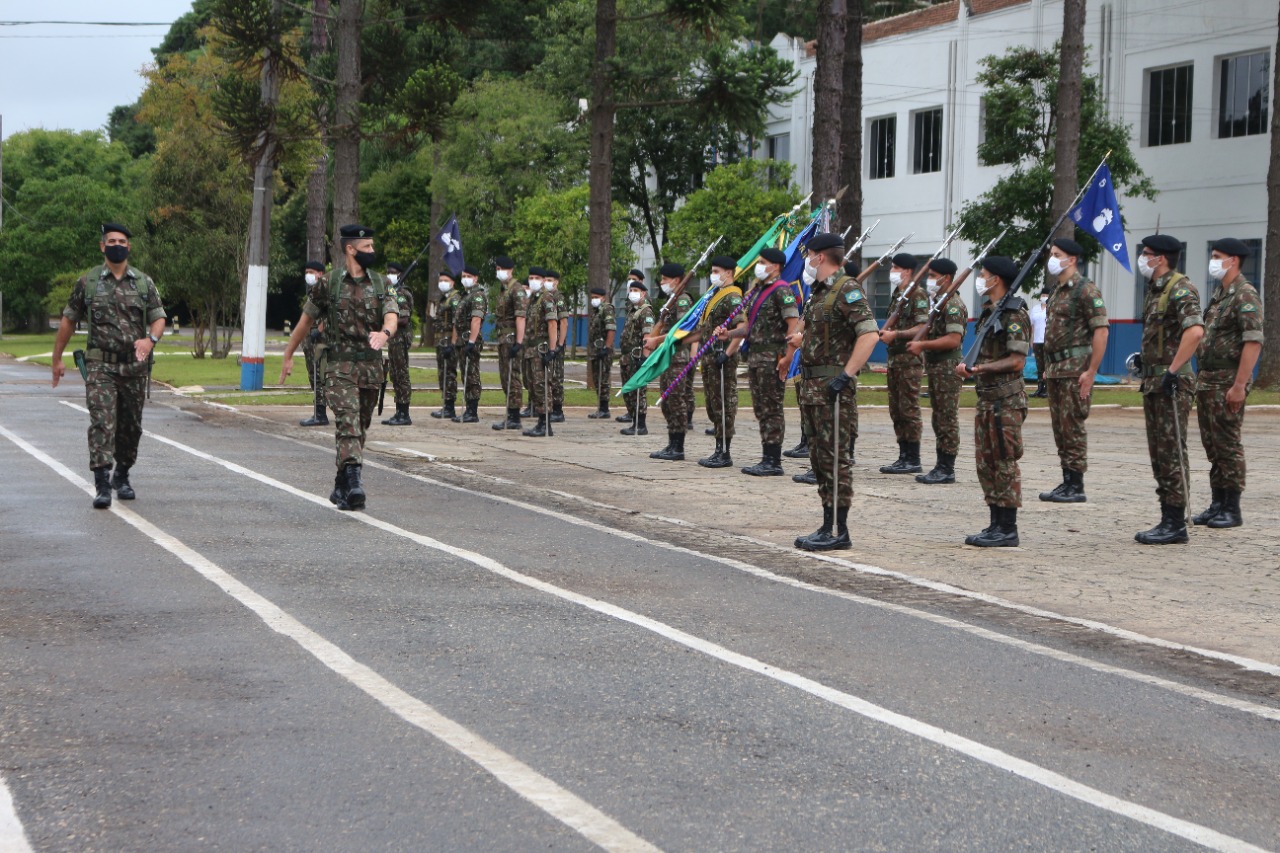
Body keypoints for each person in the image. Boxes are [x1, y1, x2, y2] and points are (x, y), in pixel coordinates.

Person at [280, 224, 397, 511]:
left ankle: (341, 483)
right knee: (348, 420)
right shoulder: (329, 283)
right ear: (350, 248)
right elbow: (305, 321)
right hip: (339, 366)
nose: (372, 251)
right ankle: (355, 480)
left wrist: (385, 334)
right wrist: (288, 354)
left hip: (370, 368)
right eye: (367, 247)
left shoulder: (381, 284)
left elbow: (391, 315)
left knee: (360, 426)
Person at [52, 223, 167, 509]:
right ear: (103, 246)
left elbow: (159, 317)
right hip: (100, 366)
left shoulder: (143, 283)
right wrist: (57, 358)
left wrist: (150, 340)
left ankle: (122, 475)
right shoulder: (88, 282)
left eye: (122, 241)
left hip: (134, 368)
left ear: (129, 247)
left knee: (131, 426)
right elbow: (68, 319)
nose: (117, 245)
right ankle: (102, 483)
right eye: (112, 240)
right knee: (102, 422)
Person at [784, 233, 879, 550]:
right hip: (812, 389)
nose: (807, 261)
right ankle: (827, 525)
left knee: (836, 459)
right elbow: (818, 331)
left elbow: (869, 335)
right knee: (821, 459)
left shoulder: (846, 289)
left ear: (820, 257)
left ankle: (839, 531)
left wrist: (846, 374)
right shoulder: (821, 293)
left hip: (832, 390)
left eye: (809, 255)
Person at [955, 255, 1031, 547]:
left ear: (996, 279)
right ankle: (994, 523)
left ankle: (1008, 529)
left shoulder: (1014, 315)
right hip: (987, 399)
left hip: (1006, 401)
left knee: (1004, 463)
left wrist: (978, 369)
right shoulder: (991, 311)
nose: (981, 280)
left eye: (984, 274)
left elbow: (1017, 361)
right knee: (986, 463)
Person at [1133, 234, 1204, 545]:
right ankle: (1168, 516)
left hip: (1170, 383)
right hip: (1154, 381)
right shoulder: (1156, 290)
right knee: (1160, 452)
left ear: (1159, 258)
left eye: (1146, 254)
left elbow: (1196, 331)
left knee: (1171, 449)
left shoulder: (1180, 288)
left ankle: (1175, 523)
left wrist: (1173, 370)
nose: (1143, 259)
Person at [1191, 237, 1263, 529]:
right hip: (1208, 381)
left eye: (1218, 256)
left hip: (1227, 381)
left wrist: (1239, 385)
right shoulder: (1221, 295)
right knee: (1213, 446)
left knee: (1228, 445)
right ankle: (1217, 502)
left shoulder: (1245, 294)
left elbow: (1253, 342)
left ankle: (1232, 508)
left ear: (1233, 260)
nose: (1213, 261)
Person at [1037, 238, 1108, 503]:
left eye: (1057, 254)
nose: (1052, 258)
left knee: (1073, 426)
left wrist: (1091, 371)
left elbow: (1101, 330)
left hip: (1075, 370)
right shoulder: (1057, 291)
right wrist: (1047, 367)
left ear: (1072, 259)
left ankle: (1076, 484)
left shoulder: (1085, 290)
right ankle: (1066, 479)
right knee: (1060, 427)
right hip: (1056, 369)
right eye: (1051, 254)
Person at [719, 247, 799, 476]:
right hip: (755, 357)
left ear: (775, 266)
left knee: (772, 408)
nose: (759, 266)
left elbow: (793, 324)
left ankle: (773, 461)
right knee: (761, 408)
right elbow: (748, 327)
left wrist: (788, 356)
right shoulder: (757, 291)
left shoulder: (781, 291)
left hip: (771, 357)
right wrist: (729, 334)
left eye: (763, 262)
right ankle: (766, 457)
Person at [905, 257, 966, 485]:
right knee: (939, 417)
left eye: (932, 276)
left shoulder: (952, 305)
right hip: (937, 366)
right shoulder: (940, 302)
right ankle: (941, 465)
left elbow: (953, 339)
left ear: (946, 278)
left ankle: (946, 468)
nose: (929, 281)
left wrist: (922, 345)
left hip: (947, 367)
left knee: (946, 418)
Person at [687, 255, 745, 467]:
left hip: (722, 359)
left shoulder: (733, 298)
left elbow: (743, 328)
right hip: (709, 357)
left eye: (716, 271)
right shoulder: (716, 296)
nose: (713, 275)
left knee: (723, 402)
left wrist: (728, 352)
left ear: (728, 273)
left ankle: (724, 452)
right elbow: (703, 331)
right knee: (713, 404)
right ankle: (718, 448)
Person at [878, 253, 929, 474]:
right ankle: (903, 455)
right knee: (896, 409)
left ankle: (913, 458)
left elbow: (922, 327)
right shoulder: (898, 295)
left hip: (909, 360)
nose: (892, 271)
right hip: (895, 359)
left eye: (896, 268)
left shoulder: (917, 295)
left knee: (908, 409)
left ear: (907, 271)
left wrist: (896, 334)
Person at [647, 263, 694, 460]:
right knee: (667, 401)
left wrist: (656, 340)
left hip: (677, 357)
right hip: (667, 357)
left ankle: (678, 446)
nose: (662, 282)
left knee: (676, 401)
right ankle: (671, 443)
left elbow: (681, 331)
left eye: (665, 279)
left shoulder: (682, 300)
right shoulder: (671, 301)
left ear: (676, 280)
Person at [521, 267, 560, 437]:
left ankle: (545, 424)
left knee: (542, 385)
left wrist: (552, 349)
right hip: (530, 350)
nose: (533, 280)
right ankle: (540, 421)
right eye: (531, 277)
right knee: (533, 386)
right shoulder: (533, 300)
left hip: (541, 350)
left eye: (537, 277)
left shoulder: (546, 298)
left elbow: (552, 324)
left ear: (544, 280)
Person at [490, 256, 527, 430]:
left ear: (510, 270)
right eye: (497, 269)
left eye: (501, 269)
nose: (499, 272)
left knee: (513, 377)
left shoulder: (516, 290)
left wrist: (518, 342)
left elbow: (520, 316)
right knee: (505, 378)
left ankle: (514, 417)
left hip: (512, 339)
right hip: (503, 339)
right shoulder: (504, 290)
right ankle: (510, 414)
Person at [619, 278, 654, 435]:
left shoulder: (646, 311)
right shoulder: (633, 311)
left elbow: (647, 335)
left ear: (643, 293)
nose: (632, 294)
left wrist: (644, 360)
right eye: (631, 291)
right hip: (627, 357)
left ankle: (641, 424)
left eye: (636, 291)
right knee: (629, 391)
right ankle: (634, 421)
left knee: (638, 391)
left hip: (637, 357)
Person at [381, 262, 415, 426]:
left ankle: (404, 413)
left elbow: (404, 319)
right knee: (394, 374)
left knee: (401, 375)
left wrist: (387, 322)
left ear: (400, 274)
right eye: (388, 272)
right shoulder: (391, 292)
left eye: (393, 272)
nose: (389, 275)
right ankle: (398, 411)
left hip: (400, 337)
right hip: (394, 339)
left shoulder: (401, 293)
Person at [452, 264, 486, 423]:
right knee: (465, 374)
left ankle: (472, 411)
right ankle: (468, 410)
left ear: (475, 278)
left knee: (471, 374)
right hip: (461, 339)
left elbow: (476, 319)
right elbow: (456, 322)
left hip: (470, 339)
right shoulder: (464, 296)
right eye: (463, 276)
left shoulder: (477, 296)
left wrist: (472, 341)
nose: (465, 279)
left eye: (468, 276)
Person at [299, 260, 330, 426]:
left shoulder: (324, 291)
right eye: (306, 272)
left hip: (319, 340)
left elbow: (333, 312)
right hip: (311, 340)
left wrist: (320, 329)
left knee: (318, 375)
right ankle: (318, 411)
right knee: (314, 375)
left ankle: (320, 414)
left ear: (320, 273)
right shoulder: (314, 291)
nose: (308, 275)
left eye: (311, 272)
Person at [430, 269, 462, 420]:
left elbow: (456, 322)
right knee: (442, 373)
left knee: (449, 374)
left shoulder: (454, 299)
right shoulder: (443, 298)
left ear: (452, 282)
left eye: (445, 280)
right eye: (440, 280)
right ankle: (446, 404)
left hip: (449, 342)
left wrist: (453, 343)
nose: (442, 283)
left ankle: (450, 407)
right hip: (441, 342)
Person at [586, 284, 616, 419]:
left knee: (603, 379)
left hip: (603, 350)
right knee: (597, 379)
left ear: (603, 298)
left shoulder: (607, 309)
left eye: (596, 297)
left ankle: (604, 409)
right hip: (595, 350)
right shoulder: (596, 310)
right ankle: (601, 407)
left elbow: (611, 328)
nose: (594, 299)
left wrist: (607, 347)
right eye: (592, 297)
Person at [545, 270, 569, 423]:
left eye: (550, 279)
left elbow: (564, 322)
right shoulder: (545, 298)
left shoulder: (559, 298)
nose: (547, 282)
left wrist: (560, 344)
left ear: (556, 282)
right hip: (548, 343)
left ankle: (558, 409)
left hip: (557, 344)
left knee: (556, 376)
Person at [1029, 290, 1048, 397]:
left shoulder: (1051, 308)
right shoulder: (1035, 309)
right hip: (1037, 341)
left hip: (1047, 341)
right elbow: (1032, 325)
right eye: (1043, 295)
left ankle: (1047, 388)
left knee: (1047, 365)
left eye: (1046, 295)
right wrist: (1031, 339)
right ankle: (1040, 388)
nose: (1044, 297)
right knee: (1039, 365)